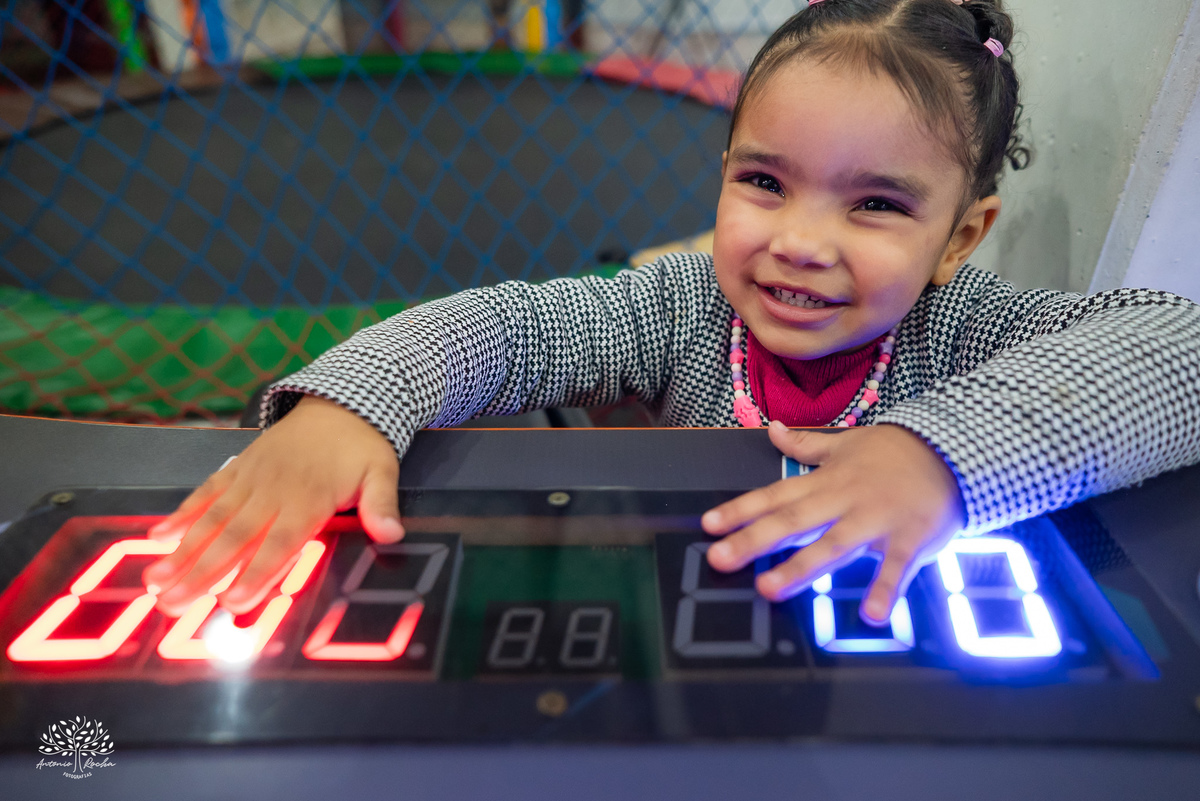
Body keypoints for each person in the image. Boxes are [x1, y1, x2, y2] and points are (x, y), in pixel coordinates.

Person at [143, 0, 1200, 628]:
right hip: (683, 637)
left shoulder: (964, 330)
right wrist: (352, 406)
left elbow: (1181, 350)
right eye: (766, 184)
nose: (801, 240)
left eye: (876, 204)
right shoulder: (680, 309)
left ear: (960, 238)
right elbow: (509, 331)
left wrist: (936, 459)